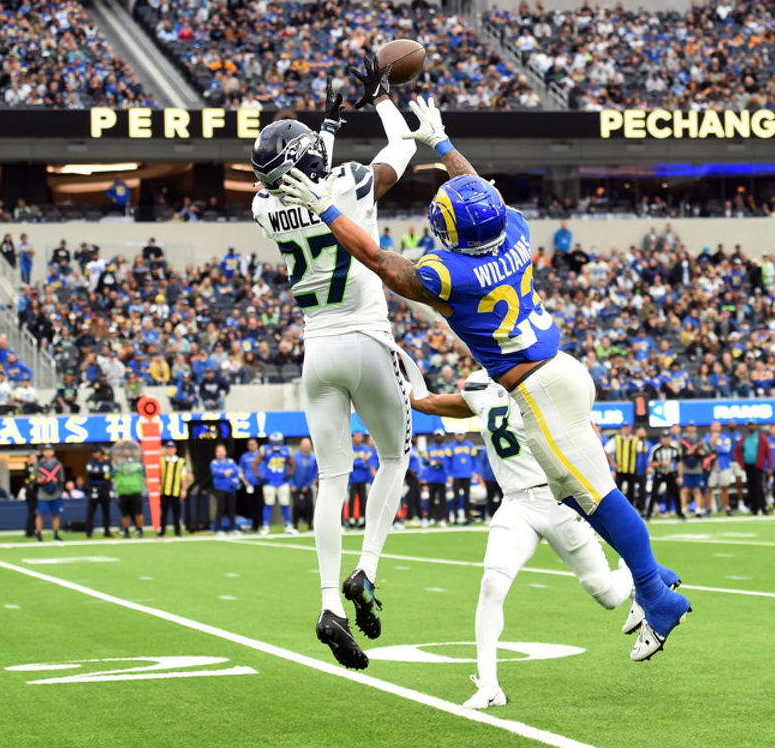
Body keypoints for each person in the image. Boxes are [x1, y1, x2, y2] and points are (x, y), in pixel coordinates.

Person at [281, 94, 689, 662]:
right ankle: (656, 575)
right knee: (577, 496)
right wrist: (442, 143)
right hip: (555, 372)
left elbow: (379, 260)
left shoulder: (451, 273)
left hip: (539, 387)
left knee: (595, 497)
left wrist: (327, 209)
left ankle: (653, 592)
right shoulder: (516, 229)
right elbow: (480, 194)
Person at [251, 65, 418, 669]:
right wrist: (384, 99)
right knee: (395, 457)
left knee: (330, 479)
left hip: (316, 351)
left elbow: (300, 174)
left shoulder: (263, 207)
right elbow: (401, 148)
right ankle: (366, 569)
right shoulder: (348, 183)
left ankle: (328, 603)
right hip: (367, 338)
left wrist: (325, 124)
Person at [412, 370, 634, 708]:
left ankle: (632, 575)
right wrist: (399, 381)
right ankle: (489, 686)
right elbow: (429, 403)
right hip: (515, 503)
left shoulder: (544, 379)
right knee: (491, 585)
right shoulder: (479, 387)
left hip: (559, 500)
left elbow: (585, 432)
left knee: (608, 595)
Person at [255, 433, 297, 535]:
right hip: (269, 482)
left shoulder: (286, 450)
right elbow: (254, 464)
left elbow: (293, 464)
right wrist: (259, 477)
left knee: (285, 504)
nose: (276, 444)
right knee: (268, 504)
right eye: (274, 442)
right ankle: (265, 527)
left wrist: (289, 475)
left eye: (278, 442)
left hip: (282, 481)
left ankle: (288, 526)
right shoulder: (265, 450)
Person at [733, 420, 773, 516]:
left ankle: (763, 507)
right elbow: (737, 452)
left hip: (758, 466)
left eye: (753, 425)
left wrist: (770, 467)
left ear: (756, 426)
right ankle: (754, 508)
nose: (751, 427)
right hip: (748, 466)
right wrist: (741, 463)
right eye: (749, 425)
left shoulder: (761, 437)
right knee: (751, 487)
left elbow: (768, 452)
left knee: (759, 487)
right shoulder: (744, 438)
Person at [605, 423, 646, 509]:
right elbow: (607, 451)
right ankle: (618, 508)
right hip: (620, 470)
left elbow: (642, 449)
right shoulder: (616, 439)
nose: (626, 430)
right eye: (624, 428)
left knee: (631, 491)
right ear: (622, 429)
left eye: (627, 428)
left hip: (631, 470)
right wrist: (612, 463)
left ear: (630, 429)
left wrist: (643, 438)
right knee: (618, 490)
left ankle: (630, 508)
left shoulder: (636, 440)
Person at [111, 443, 145, 538]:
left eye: (128, 450)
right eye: (124, 450)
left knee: (138, 513)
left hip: (135, 490)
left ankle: (140, 530)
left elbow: (143, 475)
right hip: (123, 492)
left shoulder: (137, 464)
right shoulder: (118, 465)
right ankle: (126, 531)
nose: (126, 452)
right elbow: (111, 476)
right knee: (124, 514)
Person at [647, 431, 684, 520]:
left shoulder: (674, 449)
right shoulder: (656, 449)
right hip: (659, 473)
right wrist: (661, 463)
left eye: (667, 437)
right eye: (664, 437)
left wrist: (680, 476)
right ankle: (648, 514)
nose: (666, 439)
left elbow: (679, 463)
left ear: (670, 438)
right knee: (654, 493)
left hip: (670, 473)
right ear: (661, 438)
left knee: (676, 493)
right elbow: (651, 463)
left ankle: (680, 513)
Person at [159, 441, 190, 538]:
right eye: (168, 448)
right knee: (164, 513)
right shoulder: (162, 461)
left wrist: (183, 489)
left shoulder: (180, 461)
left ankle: (177, 531)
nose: (170, 450)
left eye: (172, 448)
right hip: (164, 490)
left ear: (175, 450)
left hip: (176, 490)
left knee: (176, 512)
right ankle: (162, 531)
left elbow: (183, 477)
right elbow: (158, 475)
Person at [33, 445, 65, 542]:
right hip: (43, 492)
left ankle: (56, 534)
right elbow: (34, 478)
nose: (48, 452)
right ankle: (38, 534)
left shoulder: (58, 464)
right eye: (46, 451)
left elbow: (61, 479)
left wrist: (60, 490)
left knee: (56, 514)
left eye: (50, 450)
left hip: (55, 492)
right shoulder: (39, 465)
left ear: (53, 452)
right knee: (40, 514)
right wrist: (37, 481)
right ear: (43, 452)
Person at [347, 432, 378, 529]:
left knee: (363, 499)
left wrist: (358, 464)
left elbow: (368, 464)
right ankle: (351, 518)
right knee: (351, 499)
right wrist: (360, 463)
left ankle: (362, 518)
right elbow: (350, 463)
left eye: (359, 436)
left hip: (363, 478)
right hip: (352, 479)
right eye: (355, 436)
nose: (357, 438)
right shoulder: (349, 448)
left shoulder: (366, 449)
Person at [210, 443, 242, 536]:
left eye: (222, 451)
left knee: (232, 509)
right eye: (219, 451)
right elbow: (216, 472)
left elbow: (236, 470)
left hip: (231, 488)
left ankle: (233, 528)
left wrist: (226, 472)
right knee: (221, 508)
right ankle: (219, 529)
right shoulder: (214, 462)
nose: (221, 453)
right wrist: (225, 473)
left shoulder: (231, 461)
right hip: (220, 488)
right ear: (216, 453)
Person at [705, 422, 737, 516]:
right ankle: (708, 509)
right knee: (709, 487)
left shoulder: (725, 438)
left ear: (720, 427)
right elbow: (705, 449)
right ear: (711, 427)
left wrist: (714, 446)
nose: (715, 427)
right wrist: (712, 444)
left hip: (724, 466)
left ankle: (726, 508)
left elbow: (727, 449)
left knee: (725, 487)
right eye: (714, 426)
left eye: (717, 426)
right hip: (711, 467)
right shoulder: (707, 437)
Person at [679, 424, 707, 518]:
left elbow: (704, 452)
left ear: (695, 428)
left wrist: (699, 452)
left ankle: (698, 510)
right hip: (686, 468)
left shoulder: (700, 439)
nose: (691, 428)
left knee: (698, 489)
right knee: (685, 489)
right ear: (687, 428)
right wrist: (689, 452)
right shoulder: (683, 440)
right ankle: (683, 509)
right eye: (689, 426)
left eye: (693, 426)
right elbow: (680, 454)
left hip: (697, 468)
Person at [424, 430, 451, 527]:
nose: (438, 438)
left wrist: (438, 462)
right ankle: (430, 518)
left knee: (442, 499)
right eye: (437, 436)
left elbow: (447, 461)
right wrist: (431, 462)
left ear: (443, 437)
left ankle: (441, 518)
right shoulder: (430, 448)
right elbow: (425, 460)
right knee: (431, 499)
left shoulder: (446, 449)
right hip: (432, 477)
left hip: (442, 477)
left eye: (440, 436)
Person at [448, 432, 477, 525]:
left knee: (466, 498)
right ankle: (455, 518)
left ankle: (467, 518)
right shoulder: (451, 446)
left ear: (464, 435)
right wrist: (449, 474)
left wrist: (475, 472)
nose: (460, 436)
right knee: (456, 498)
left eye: (461, 434)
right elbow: (447, 461)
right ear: (455, 436)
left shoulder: (470, 445)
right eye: (458, 434)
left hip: (467, 475)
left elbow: (475, 460)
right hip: (456, 476)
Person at [84, 447, 113, 538]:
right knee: (91, 511)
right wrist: (103, 475)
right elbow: (90, 474)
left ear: (100, 453)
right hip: (94, 488)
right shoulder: (90, 462)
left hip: (104, 488)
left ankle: (107, 531)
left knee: (106, 511)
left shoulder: (107, 463)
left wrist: (100, 475)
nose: (94, 454)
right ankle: (89, 532)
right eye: (93, 452)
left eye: (96, 452)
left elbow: (110, 475)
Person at [291, 438, 318, 532]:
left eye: (308, 444)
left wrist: (308, 485)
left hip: (308, 486)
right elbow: (290, 471)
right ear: (301, 445)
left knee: (310, 505)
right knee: (296, 506)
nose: (306, 446)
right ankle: (295, 525)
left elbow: (314, 473)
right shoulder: (294, 457)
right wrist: (292, 484)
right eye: (304, 444)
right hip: (296, 486)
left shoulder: (313, 458)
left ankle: (310, 524)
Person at [238, 438, 262, 532]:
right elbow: (240, 470)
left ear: (257, 445)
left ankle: (262, 524)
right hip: (249, 485)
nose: (252, 446)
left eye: (254, 444)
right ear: (248, 446)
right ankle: (253, 525)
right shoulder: (245, 457)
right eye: (250, 444)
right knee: (251, 506)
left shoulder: (262, 454)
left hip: (260, 484)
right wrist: (244, 481)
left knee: (260, 505)